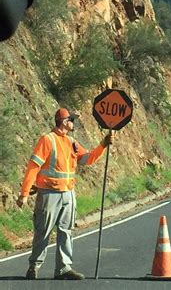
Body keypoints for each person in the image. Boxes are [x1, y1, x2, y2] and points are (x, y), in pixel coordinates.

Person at [16, 108, 114, 280]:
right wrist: (24, 193)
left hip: (68, 194)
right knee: (43, 231)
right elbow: (34, 166)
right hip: (49, 194)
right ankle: (34, 267)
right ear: (63, 121)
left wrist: (103, 144)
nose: (73, 123)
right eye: (71, 120)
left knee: (66, 231)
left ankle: (63, 268)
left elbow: (88, 159)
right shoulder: (47, 140)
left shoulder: (72, 142)